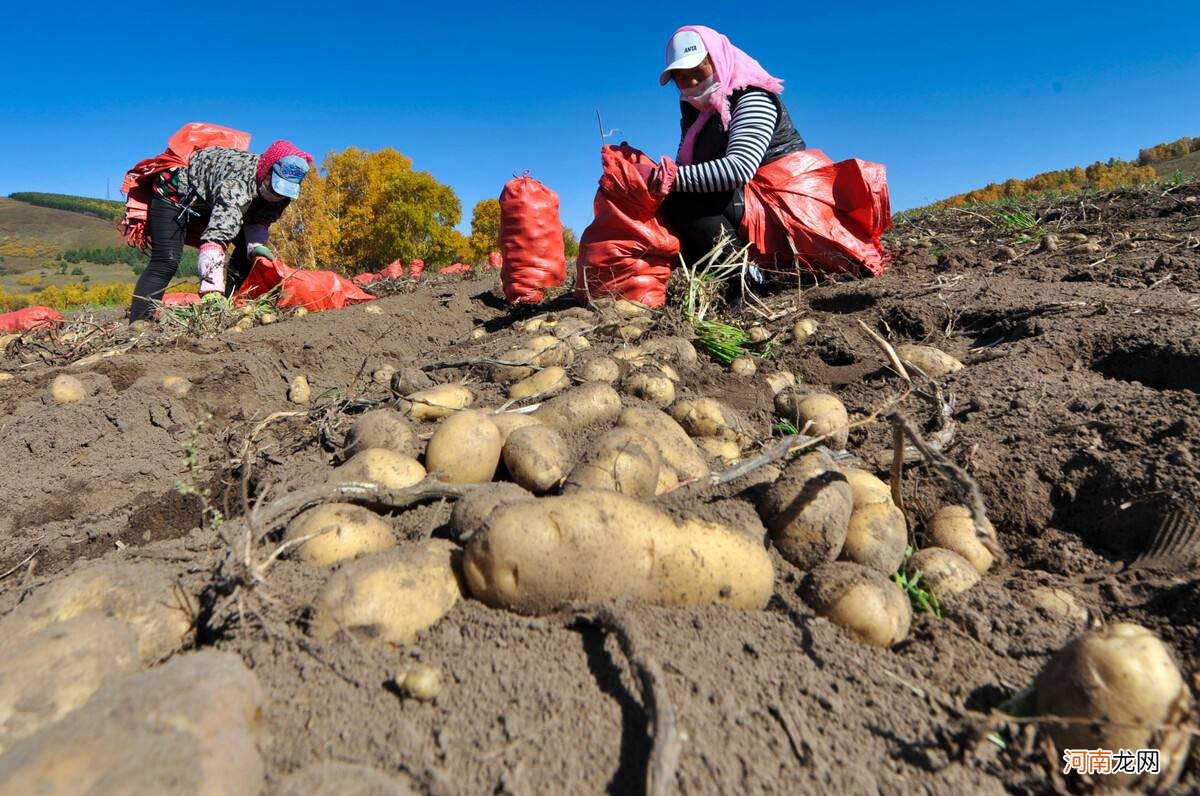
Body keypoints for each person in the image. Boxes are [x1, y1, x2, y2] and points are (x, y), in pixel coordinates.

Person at [644, 26, 890, 276]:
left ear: (717, 60)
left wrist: (666, 179)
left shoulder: (751, 96)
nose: (692, 82)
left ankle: (745, 278)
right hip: (748, 201)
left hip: (784, 204)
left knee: (682, 200)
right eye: (682, 77)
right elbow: (687, 170)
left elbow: (738, 169)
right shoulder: (696, 116)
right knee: (672, 207)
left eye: (699, 70)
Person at [128, 140, 312, 321]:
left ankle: (236, 306)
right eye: (275, 185)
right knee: (166, 260)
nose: (277, 194)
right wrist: (211, 289)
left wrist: (256, 248)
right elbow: (216, 237)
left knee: (248, 257)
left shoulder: (283, 195)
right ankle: (139, 322)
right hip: (176, 193)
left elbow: (259, 220)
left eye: (284, 190)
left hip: (211, 199)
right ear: (267, 170)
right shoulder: (236, 186)